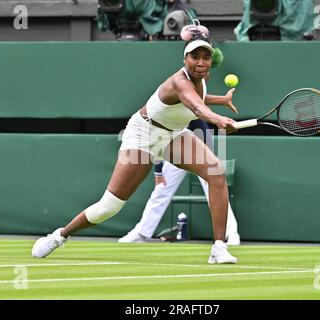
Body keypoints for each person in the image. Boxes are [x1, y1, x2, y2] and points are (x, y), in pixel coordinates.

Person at [32, 23, 239, 264]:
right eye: (195, 57)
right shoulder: (179, 82)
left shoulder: (201, 81)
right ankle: (60, 235)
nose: (201, 62)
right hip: (143, 134)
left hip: (173, 134)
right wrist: (219, 120)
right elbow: (195, 106)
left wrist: (221, 101)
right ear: (185, 59)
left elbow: (199, 100)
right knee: (108, 207)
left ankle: (218, 248)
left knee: (216, 173)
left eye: (206, 57)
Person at [118, 119, 240, 245]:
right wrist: (158, 173)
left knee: (215, 193)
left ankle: (232, 233)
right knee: (160, 191)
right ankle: (141, 233)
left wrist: (209, 164)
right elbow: (157, 143)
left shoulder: (190, 110)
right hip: (176, 154)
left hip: (199, 154)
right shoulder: (161, 114)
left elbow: (204, 132)